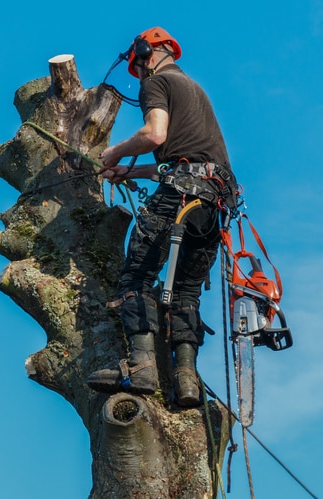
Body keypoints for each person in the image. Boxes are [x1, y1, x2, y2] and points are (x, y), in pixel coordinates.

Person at [86, 27, 237, 407]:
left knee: (136, 277)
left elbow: (155, 135)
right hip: (215, 202)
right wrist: (131, 173)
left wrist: (114, 153)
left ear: (144, 52)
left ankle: (142, 368)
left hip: (182, 192)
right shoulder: (195, 90)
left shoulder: (156, 83)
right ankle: (186, 378)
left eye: (138, 65)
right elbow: (181, 162)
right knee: (186, 291)